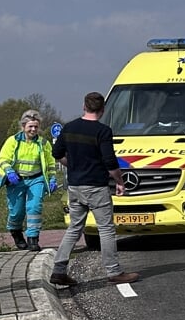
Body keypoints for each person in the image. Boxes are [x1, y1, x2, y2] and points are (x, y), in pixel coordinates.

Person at [49, 92, 140, 287]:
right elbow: (110, 161)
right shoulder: (103, 131)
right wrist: (120, 181)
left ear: (84, 106)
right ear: (102, 110)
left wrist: (72, 165)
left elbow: (57, 153)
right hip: (96, 187)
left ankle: (58, 270)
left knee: (75, 228)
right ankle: (114, 271)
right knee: (106, 229)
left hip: (74, 186)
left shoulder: (69, 128)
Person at [0, 109, 58, 250]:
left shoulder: (43, 143)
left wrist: (53, 178)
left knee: (34, 207)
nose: (33, 129)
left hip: (36, 179)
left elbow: (50, 163)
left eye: (36, 126)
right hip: (16, 181)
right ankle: (16, 232)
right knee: (16, 211)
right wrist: (10, 171)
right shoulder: (13, 141)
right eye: (30, 126)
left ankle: (33, 239)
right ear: (23, 126)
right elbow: (3, 159)